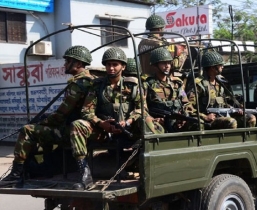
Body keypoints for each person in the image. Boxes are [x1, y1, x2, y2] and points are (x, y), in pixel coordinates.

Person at [69, 47, 163, 190]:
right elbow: (87, 111)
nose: (111, 68)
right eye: (108, 64)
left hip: (129, 131)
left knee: (147, 121)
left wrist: (129, 121)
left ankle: (150, 168)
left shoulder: (133, 86)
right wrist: (101, 123)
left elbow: (141, 109)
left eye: (115, 64)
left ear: (123, 66)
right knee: (78, 125)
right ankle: (85, 175)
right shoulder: (97, 86)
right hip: (104, 131)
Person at [0, 46, 95, 187]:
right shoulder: (88, 80)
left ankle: (16, 175)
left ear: (79, 64)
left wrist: (44, 121)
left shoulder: (79, 84)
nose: (65, 64)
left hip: (73, 130)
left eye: (68, 61)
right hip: (79, 129)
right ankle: (41, 168)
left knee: (27, 130)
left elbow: (62, 114)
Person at [187, 51, 256, 129]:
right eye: (220, 65)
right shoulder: (199, 84)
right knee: (231, 122)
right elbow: (188, 107)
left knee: (251, 118)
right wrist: (205, 116)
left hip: (222, 115)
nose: (223, 66)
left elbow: (224, 103)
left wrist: (235, 110)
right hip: (208, 119)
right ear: (213, 67)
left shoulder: (221, 83)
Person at [145, 48, 197, 132]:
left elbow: (186, 103)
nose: (167, 65)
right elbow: (143, 108)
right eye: (163, 63)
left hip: (177, 120)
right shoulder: (147, 84)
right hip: (158, 121)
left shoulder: (177, 83)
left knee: (198, 123)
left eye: (169, 62)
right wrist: (152, 118)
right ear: (155, 65)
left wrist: (185, 116)